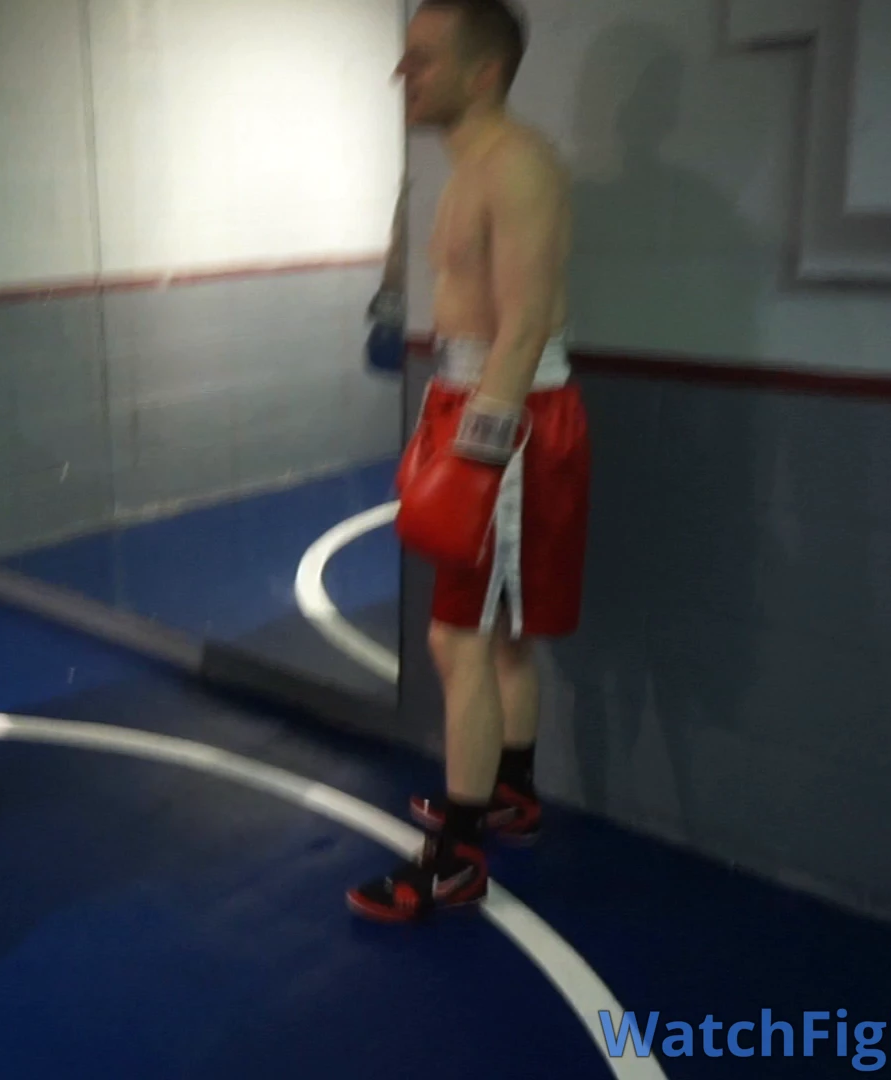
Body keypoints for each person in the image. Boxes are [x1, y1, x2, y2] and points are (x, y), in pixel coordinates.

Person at [348, 0, 588, 922]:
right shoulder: (470, 165)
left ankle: (454, 858)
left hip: (506, 411)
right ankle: (509, 790)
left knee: (458, 641)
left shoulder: (516, 164)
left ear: (483, 72)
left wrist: (475, 459)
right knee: (503, 632)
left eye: (423, 59)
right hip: (479, 399)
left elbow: (523, 328)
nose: (401, 75)